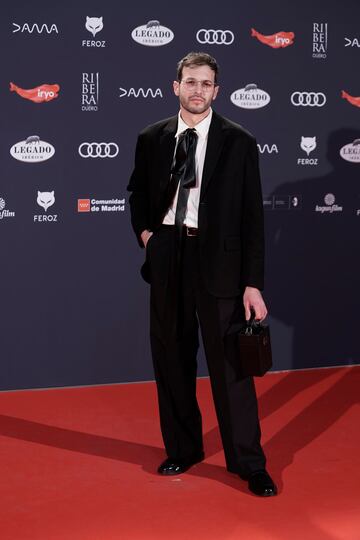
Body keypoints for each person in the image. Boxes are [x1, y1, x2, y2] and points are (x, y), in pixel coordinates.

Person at [127, 52, 277, 497]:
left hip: (221, 265)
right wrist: (148, 237)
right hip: (168, 253)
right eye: (190, 81)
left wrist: (253, 282)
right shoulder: (152, 137)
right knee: (171, 360)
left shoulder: (239, 141)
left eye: (206, 83)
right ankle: (183, 448)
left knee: (231, 369)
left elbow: (253, 216)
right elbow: (136, 192)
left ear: (216, 90)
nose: (197, 90)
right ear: (175, 86)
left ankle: (249, 463)